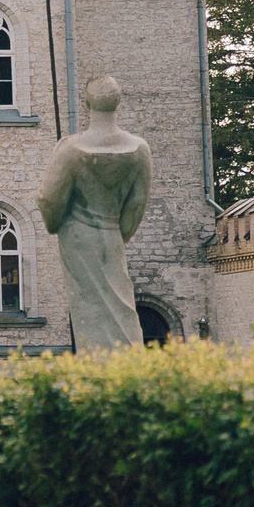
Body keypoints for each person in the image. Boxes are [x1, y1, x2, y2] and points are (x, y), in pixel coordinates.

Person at [37, 74, 152, 350]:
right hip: (112, 235)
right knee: (121, 302)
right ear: (118, 103)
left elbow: (49, 199)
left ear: (86, 104)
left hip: (77, 236)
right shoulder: (139, 150)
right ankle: (125, 362)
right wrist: (117, 234)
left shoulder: (70, 149)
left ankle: (97, 364)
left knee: (88, 305)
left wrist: (55, 225)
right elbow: (137, 204)